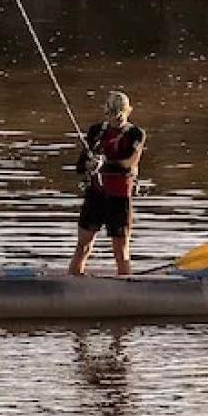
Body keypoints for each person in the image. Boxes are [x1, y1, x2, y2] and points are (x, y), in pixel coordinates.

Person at [70, 90, 145, 276]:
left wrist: (104, 163)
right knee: (83, 245)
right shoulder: (97, 131)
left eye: (119, 115)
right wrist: (89, 164)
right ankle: (73, 283)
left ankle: (126, 289)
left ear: (129, 111)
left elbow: (128, 164)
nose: (115, 119)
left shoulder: (136, 134)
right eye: (111, 115)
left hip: (119, 198)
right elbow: (79, 167)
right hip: (96, 195)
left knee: (120, 250)